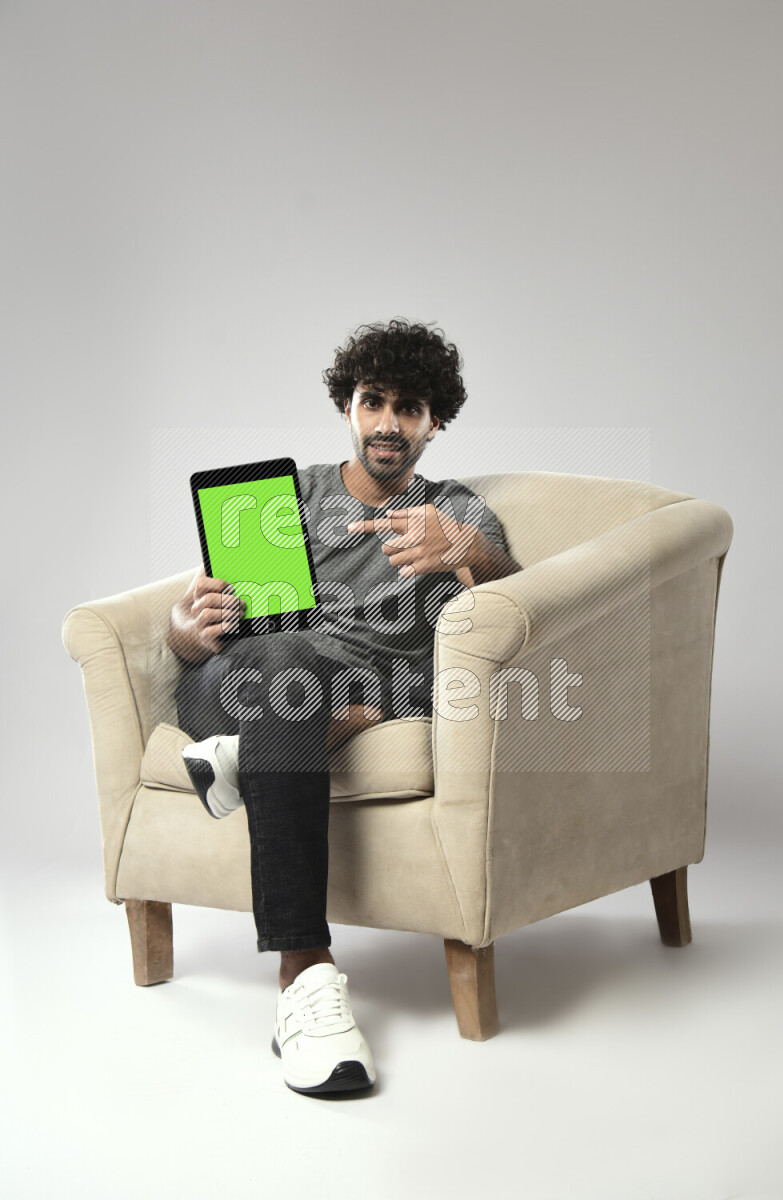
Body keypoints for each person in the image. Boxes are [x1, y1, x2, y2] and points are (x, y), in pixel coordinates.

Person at [167, 318, 522, 1095]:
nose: (388, 422)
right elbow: (195, 633)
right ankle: (305, 963)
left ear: (436, 421)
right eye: (373, 402)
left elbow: (516, 607)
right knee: (284, 663)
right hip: (240, 679)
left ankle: (299, 969)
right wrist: (186, 627)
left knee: (429, 682)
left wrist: (466, 548)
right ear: (350, 407)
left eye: (409, 407)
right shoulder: (289, 497)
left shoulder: (453, 513)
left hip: (359, 694)